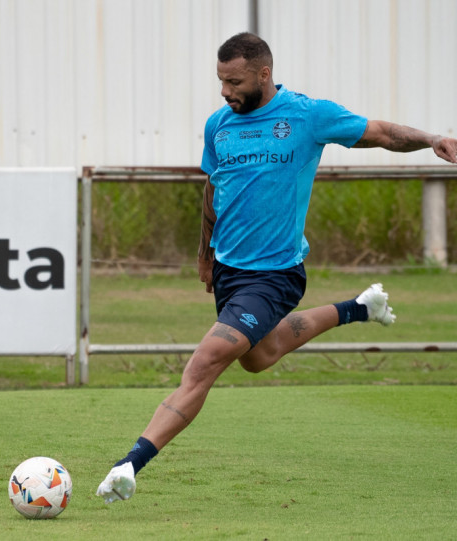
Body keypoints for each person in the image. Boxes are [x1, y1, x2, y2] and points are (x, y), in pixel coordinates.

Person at [96, 32, 457, 503]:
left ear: (263, 74)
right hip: (229, 270)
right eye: (221, 81)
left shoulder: (307, 116)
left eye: (235, 81)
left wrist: (432, 139)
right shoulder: (218, 126)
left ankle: (130, 465)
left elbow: (382, 133)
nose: (226, 91)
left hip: (274, 276)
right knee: (258, 358)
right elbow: (213, 190)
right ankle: (359, 308)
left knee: (205, 363)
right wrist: (205, 255)